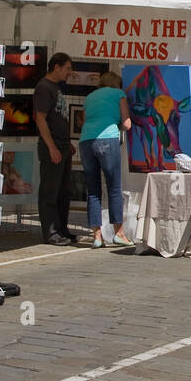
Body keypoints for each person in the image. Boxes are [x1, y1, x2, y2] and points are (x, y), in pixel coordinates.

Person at [78, 71, 132, 248]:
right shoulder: (119, 94)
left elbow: (84, 120)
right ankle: (119, 233)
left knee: (93, 190)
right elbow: (127, 123)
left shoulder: (90, 96)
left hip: (86, 141)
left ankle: (97, 236)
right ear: (117, 83)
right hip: (107, 140)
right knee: (114, 187)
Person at [34, 51, 75, 245]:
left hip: (63, 146)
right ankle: (50, 232)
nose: (69, 72)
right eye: (67, 68)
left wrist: (67, 144)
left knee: (63, 190)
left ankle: (61, 228)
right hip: (53, 147)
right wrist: (51, 147)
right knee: (50, 191)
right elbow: (40, 118)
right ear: (56, 67)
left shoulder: (56, 88)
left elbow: (58, 118)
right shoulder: (44, 87)